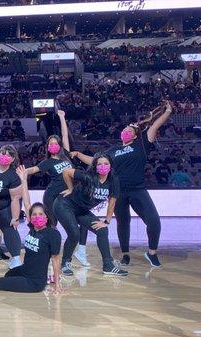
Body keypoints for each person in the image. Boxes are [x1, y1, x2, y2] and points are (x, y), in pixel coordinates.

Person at [72, 101, 173, 267]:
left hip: (138, 190)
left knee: (154, 221)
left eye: (129, 130)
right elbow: (96, 161)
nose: (125, 132)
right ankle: (125, 254)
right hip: (118, 191)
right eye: (124, 130)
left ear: (135, 135)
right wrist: (78, 154)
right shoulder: (112, 150)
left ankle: (152, 252)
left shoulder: (142, 143)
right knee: (123, 223)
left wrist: (167, 111)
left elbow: (155, 125)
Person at [23, 110, 90, 266]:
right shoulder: (47, 163)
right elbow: (32, 170)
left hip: (70, 195)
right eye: (50, 144)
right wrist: (21, 172)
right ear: (48, 147)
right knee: (51, 227)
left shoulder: (66, 154)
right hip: (53, 197)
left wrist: (62, 118)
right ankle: (45, 252)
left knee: (84, 221)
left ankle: (81, 250)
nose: (53, 146)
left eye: (55, 143)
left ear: (59, 146)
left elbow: (65, 136)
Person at [54, 153, 128, 276]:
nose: (103, 166)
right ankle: (65, 263)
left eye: (106, 164)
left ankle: (108, 265)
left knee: (102, 231)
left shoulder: (114, 180)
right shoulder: (88, 176)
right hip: (64, 205)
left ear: (110, 166)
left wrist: (106, 221)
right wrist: (71, 188)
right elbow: (66, 171)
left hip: (82, 210)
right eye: (99, 164)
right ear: (95, 166)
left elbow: (112, 201)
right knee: (74, 234)